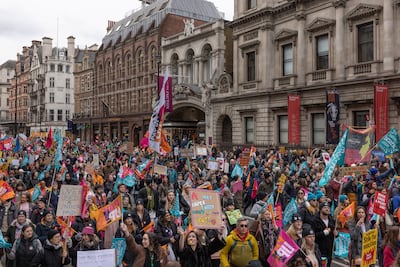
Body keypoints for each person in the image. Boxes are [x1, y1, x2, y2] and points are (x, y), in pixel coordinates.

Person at [312, 201, 336, 267]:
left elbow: (334, 232)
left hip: (329, 249)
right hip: (319, 249)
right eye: (325, 207)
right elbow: (312, 235)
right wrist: (323, 233)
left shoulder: (332, 220)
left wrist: (336, 234)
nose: (327, 209)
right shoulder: (315, 220)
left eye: (328, 207)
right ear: (320, 209)